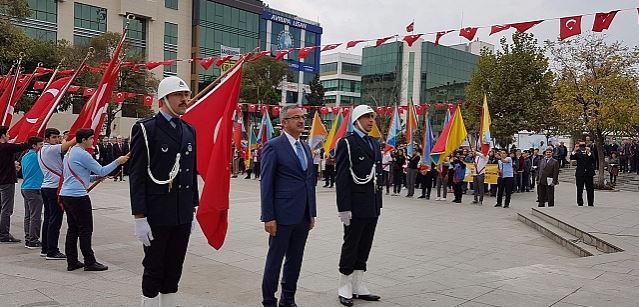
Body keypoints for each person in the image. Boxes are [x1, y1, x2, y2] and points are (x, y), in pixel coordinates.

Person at [129, 76, 199, 307]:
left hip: (181, 213)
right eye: (179, 95)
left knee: (174, 268)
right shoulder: (146, 129)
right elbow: (137, 174)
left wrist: (193, 206)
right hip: (156, 213)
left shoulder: (189, 130)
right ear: (164, 99)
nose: (185, 99)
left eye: (186, 95)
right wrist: (140, 216)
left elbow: (191, 172)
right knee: (154, 267)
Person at [260, 105, 316, 307]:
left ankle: (288, 298)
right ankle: (269, 300)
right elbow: (266, 183)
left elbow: (309, 181)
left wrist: (311, 213)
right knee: (275, 260)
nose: (301, 121)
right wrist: (268, 216)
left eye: (302, 117)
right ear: (284, 122)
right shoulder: (273, 146)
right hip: (281, 217)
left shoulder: (306, 147)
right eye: (296, 118)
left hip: (302, 215)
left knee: (295, 259)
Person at [61, 128, 129, 272]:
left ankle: (72, 261)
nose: (94, 140)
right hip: (78, 196)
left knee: (73, 229)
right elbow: (102, 170)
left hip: (67, 194)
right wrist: (118, 161)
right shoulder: (82, 154)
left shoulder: (70, 152)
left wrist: (93, 178)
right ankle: (89, 261)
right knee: (85, 229)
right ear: (83, 140)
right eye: (91, 138)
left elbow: (75, 174)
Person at [335, 105, 382, 307]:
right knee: (351, 244)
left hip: (371, 204)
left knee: (365, 245)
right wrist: (343, 208)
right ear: (356, 120)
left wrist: (378, 204)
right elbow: (342, 178)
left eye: (372, 117)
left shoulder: (374, 142)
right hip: (354, 205)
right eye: (366, 117)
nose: (371, 120)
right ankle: (344, 284)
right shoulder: (346, 143)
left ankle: (358, 284)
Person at [38, 128, 76, 259]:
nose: (57, 139)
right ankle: (52, 250)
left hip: (46, 187)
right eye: (54, 137)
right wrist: (79, 136)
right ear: (47, 139)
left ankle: (45, 248)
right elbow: (67, 145)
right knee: (55, 219)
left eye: (57, 137)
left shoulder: (42, 150)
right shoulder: (50, 149)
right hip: (54, 188)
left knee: (48, 219)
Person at [0, 126, 30, 243]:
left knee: (2, 208)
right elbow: (23, 146)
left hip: (2, 180)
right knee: (7, 209)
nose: (9, 135)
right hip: (6, 181)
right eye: (7, 133)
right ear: (2, 135)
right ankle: (4, 234)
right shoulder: (6, 147)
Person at [20, 136, 44, 248]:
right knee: (35, 216)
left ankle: (28, 237)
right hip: (34, 188)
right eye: (40, 145)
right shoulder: (37, 156)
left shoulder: (25, 156)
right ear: (34, 146)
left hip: (26, 187)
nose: (42, 147)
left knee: (28, 215)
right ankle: (33, 240)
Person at [571, 142, 596, 206]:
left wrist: (589, 152)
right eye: (581, 146)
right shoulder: (578, 153)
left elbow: (593, 160)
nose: (583, 148)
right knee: (579, 189)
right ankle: (580, 202)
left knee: (590, 189)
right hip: (580, 173)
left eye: (584, 146)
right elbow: (572, 157)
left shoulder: (590, 153)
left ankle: (590, 203)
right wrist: (574, 150)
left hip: (589, 173)